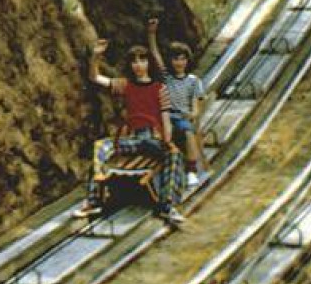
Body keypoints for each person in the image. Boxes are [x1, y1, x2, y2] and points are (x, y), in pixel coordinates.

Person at [74, 39, 186, 226]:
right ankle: (93, 199)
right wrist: (95, 57)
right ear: (130, 65)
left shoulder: (160, 89)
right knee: (101, 146)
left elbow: (166, 119)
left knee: (174, 155)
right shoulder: (126, 85)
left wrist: (167, 141)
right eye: (135, 61)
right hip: (132, 138)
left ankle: (168, 205)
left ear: (149, 63)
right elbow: (96, 78)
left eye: (143, 60)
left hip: (152, 137)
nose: (139, 65)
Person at [147, 17, 210, 188]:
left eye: (182, 59)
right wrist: (151, 34)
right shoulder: (167, 77)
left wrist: (193, 114)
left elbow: (196, 106)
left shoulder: (193, 81)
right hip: (166, 116)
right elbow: (155, 55)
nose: (179, 63)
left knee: (187, 132)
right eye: (176, 59)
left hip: (181, 117)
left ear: (187, 61)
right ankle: (157, 171)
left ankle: (191, 171)